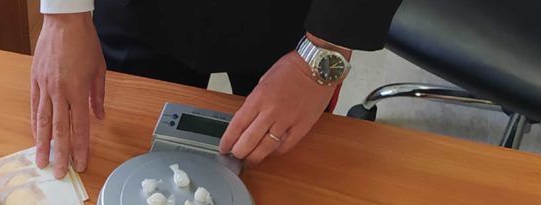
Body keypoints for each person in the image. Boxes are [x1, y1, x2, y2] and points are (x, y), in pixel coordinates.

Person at [31, 0, 402, 178]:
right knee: (117, 168)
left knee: (288, 188)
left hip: (295, 25)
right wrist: (64, 13)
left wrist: (323, 53)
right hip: (139, 11)